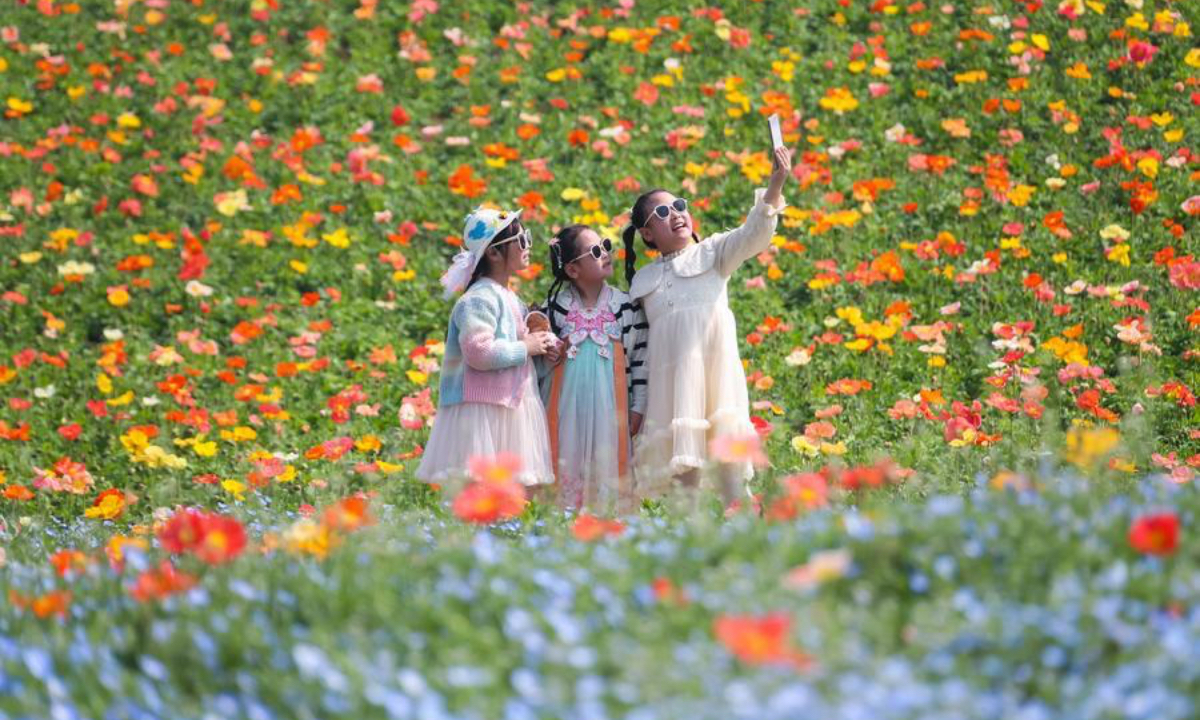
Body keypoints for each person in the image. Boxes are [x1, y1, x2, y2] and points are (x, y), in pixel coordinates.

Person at [623, 145, 793, 503]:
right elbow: (629, 338)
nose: (676, 214)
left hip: (716, 380)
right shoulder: (642, 282)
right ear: (647, 233)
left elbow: (754, 234)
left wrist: (776, 183)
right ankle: (691, 539)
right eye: (663, 212)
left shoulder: (713, 253)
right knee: (683, 476)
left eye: (680, 206)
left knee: (728, 467)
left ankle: (742, 528)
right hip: (670, 391)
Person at [416, 207, 559, 489]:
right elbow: (479, 352)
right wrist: (525, 347)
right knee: (486, 490)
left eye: (526, 238)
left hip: (509, 403)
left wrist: (542, 347)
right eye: (520, 240)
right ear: (493, 253)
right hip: (484, 407)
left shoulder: (509, 297)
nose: (527, 246)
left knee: (515, 490)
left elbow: (519, 348)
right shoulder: (478, 298)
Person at [537, 225, 648, 512]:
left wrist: (639, 405)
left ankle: (608, 521)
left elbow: (639, 357)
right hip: (565, 407)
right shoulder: (555, 308)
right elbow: (540, 358)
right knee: (565, 456)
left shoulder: (625, 306)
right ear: (573, 270)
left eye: (606, 245)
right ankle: (562, 519)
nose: (606, 254)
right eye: (596, 251)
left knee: (610, 458)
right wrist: (547, 352)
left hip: (611, 408)